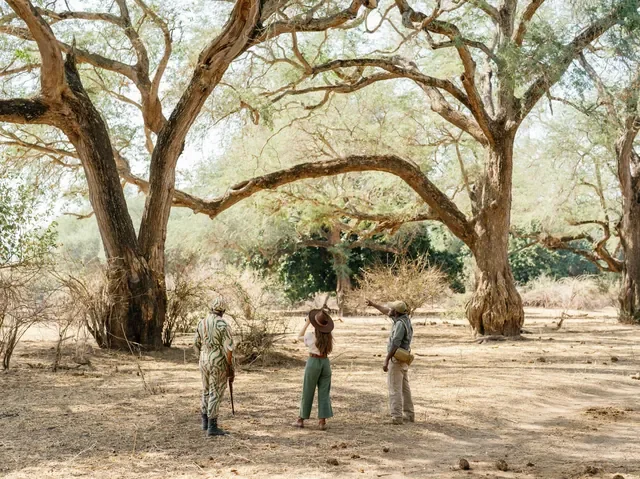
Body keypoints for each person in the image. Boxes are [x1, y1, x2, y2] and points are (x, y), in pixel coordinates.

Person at [366, 299, 414, 425]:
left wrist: (386, 360)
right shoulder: (405, 319)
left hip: (396, 358)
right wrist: (373, 304)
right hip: (404, 357)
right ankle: (409, 414)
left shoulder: (398, 325)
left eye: (392, 309)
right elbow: (386, 311)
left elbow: (395, 344)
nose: (390, 310)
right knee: (404, 387)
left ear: (396, 313)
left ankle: (396, 416)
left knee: (394, 388)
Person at [194, 296, 235, 437]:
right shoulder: (223, 325)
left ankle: (204, 421)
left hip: (203, 358)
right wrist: (230, 367)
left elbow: (196, 343)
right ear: (223, 311)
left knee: (205, 389)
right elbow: (229, 349)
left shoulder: (201, 323)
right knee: (216, 391)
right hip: (218, 360)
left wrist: (200, 356)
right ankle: (213, 426)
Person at [293, 308, 335, 430]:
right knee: (324, 391)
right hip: (325, 362)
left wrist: (306, 323)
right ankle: (322, 421)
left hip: (313, 362)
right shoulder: (329, 336)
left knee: (308, 390)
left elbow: (298, 336)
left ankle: (301, 419)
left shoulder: (310, 335)